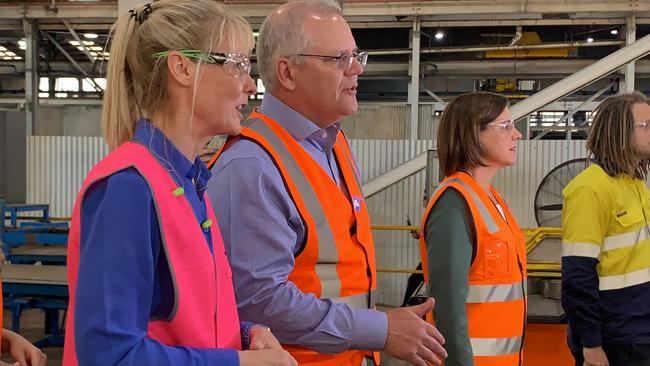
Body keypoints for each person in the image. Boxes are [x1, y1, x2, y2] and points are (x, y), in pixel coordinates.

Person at [207, 1, 447, 365]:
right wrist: (378, 329)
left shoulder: (334, 143)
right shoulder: (250, 166)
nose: (356, 69)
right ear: (287, 73)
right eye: (338, 59)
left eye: (356, 55)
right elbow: (257, 301)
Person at [62, 1, 296, 365]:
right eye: (237, 65)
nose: (251, 85)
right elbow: (109, 356)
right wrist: (239, 363)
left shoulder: (188, 184)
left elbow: (176, 322)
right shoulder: (128, 187)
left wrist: (245, 334)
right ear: (182, 68)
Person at [419, 92, 527, 366]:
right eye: (505, 126)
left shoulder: (491, 199)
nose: (517, 135)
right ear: (472, 134)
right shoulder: (454, 204)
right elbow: (448, 308)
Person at [562, 92, 650, 366]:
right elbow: (578, 275)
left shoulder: (635, 184)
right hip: (615, 340)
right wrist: (591, 344)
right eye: (645, 125)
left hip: (639, 331)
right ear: (619, 131)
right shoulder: (590, 188)